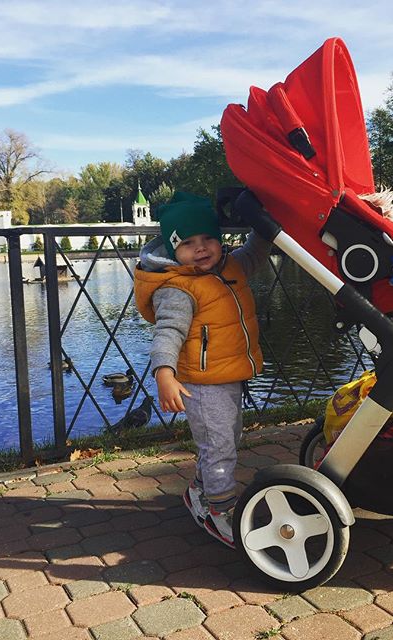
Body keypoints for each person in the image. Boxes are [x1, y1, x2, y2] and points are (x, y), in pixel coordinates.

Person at [134, 192, 270, 548]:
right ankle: (220, 510)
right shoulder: (178, 288)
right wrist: (164, 373)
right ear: (172, 248)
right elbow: (168, 333)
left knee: (223, 440)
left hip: (228, 375)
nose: (201, 248)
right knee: (220, 446)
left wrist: (265, 222)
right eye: (188, 243)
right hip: (201, 383)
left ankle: (199, 488)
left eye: (208, 238)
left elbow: (256, 253)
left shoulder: (229, 266)